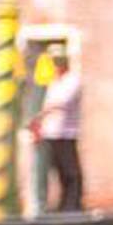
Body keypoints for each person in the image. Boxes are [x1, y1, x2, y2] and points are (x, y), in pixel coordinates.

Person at [32, 59, 85, 213]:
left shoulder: (72, 81)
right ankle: (60, 206)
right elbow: (48, 103)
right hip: (51, 134)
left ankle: (73, 206)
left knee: (72, 173)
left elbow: (61, 102)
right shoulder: (54, 83)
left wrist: (41, 115)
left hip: (66, 134)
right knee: (57, 171)